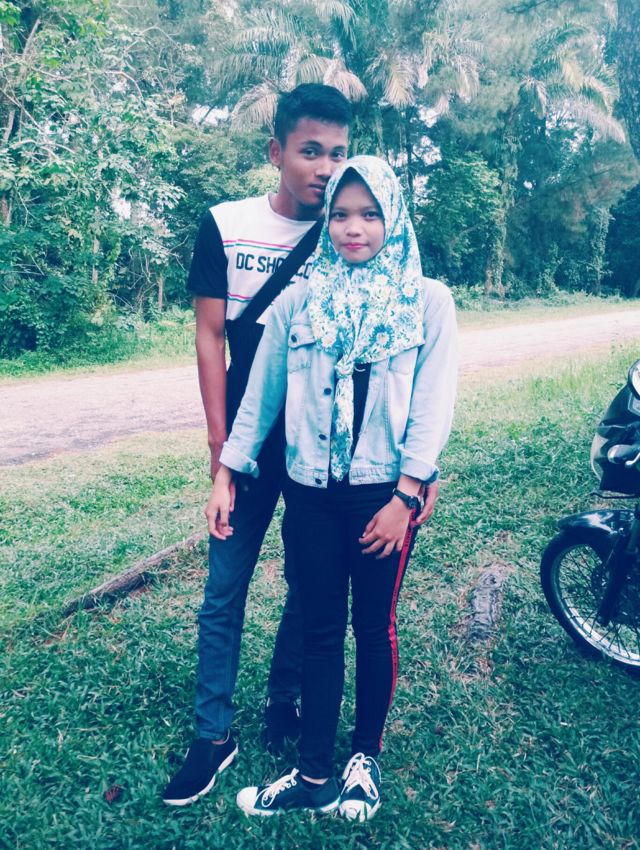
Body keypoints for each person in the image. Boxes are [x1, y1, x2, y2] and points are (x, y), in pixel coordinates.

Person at [209, 156, 457, 820]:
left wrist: (407, 496)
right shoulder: (300, 301)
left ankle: (363, 761)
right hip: (310, 495)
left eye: (370, 214)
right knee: (319, 629)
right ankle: (314, 772)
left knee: (373, 627)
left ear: (392, 218)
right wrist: (228, 473)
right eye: (341, 214)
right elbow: (260, 398)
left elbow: (432, 404)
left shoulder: (427, 301)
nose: (354, 228)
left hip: (381, 497)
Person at [162, 84, 352, 807]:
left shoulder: (350, 233)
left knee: (310, 582)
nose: (325, 168)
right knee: (224, 588)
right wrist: (220, 454)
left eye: (338, 153)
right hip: (244, 446)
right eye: (310, 151)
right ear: (277, 151)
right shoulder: (227, 225)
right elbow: (210, 338)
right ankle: (213, 735)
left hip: (316, 448)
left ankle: (284, 700)